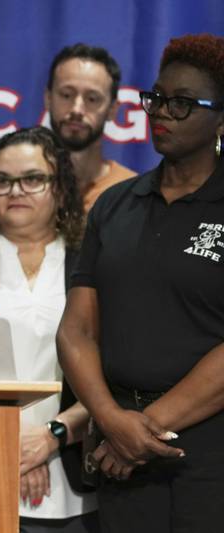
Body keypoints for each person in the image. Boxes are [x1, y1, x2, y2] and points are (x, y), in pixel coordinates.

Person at [57, 33, 224, 533]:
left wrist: (141, 432)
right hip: (118, 451)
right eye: (156, 99)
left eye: (182, 103)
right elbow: (76, 332)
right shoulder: (115, 204)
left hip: (208, 452)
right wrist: (110, 420)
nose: (162, 113)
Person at [0, 127, 97, 532]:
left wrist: (48, 439)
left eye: (33, 179)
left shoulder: (91, 263)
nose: (15, 191)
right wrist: (14, 446)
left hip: (75, 478)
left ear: (60, 189)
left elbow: (113, 369)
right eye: (3, 181)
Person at [44, 44, 137, 212]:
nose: (77, 110)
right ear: (48, 99)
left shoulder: (132, 196)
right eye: (66, 95)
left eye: (92, 99)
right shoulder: (12, 187)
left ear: (112, 109)